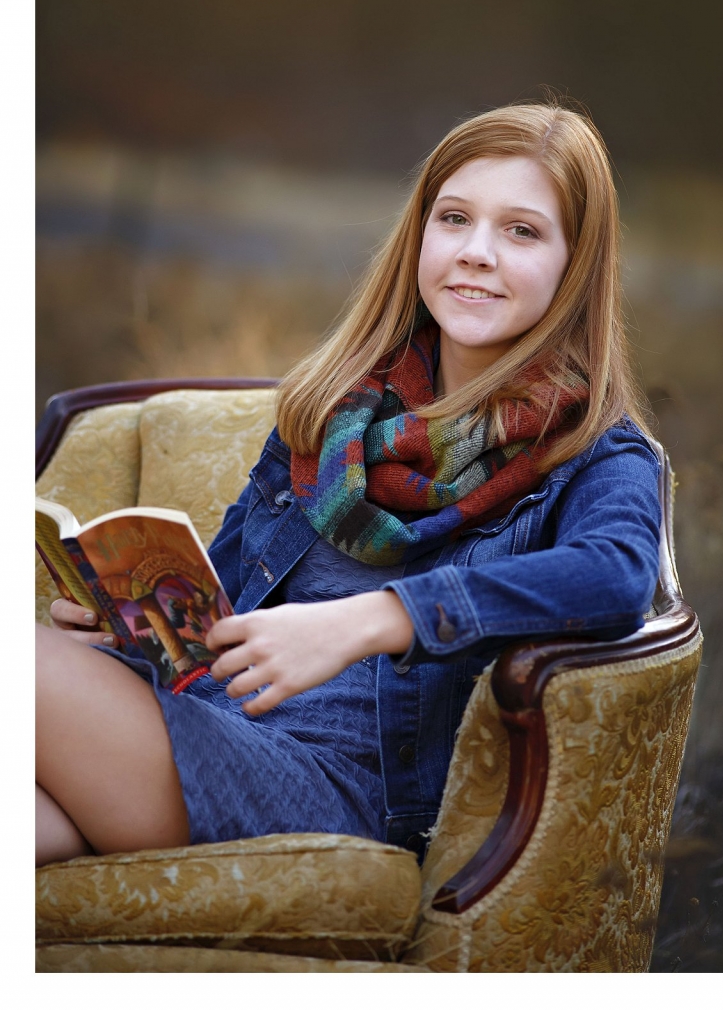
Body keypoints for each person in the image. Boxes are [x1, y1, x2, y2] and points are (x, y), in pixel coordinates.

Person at [35, 101, 662, 869]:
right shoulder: (332, 415)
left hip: (340, 787)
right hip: (206, 720)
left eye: (522, 231)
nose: (476, 252)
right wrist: (127, 624)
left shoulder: (593, 450)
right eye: (454, 218)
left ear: (576, 264)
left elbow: (617, 574)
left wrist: (372, 619)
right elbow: (216, 614)